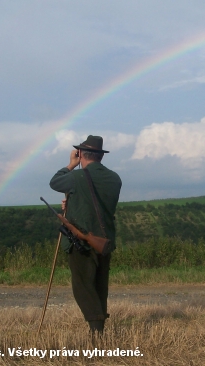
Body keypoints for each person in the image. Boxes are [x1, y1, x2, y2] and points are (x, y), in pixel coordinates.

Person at [49, 135, 122, 334]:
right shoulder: (115, 178)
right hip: (104, 241)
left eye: (78, 154)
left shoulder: (76, 176)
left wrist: (71, 164)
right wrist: (72, 203)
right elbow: (97, 204)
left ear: (81, 154)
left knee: (82, 286)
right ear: (101, 156)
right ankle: (98, 329)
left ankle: (96, 328)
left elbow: (55, 182)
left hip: (82, 243)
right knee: (100, 286)